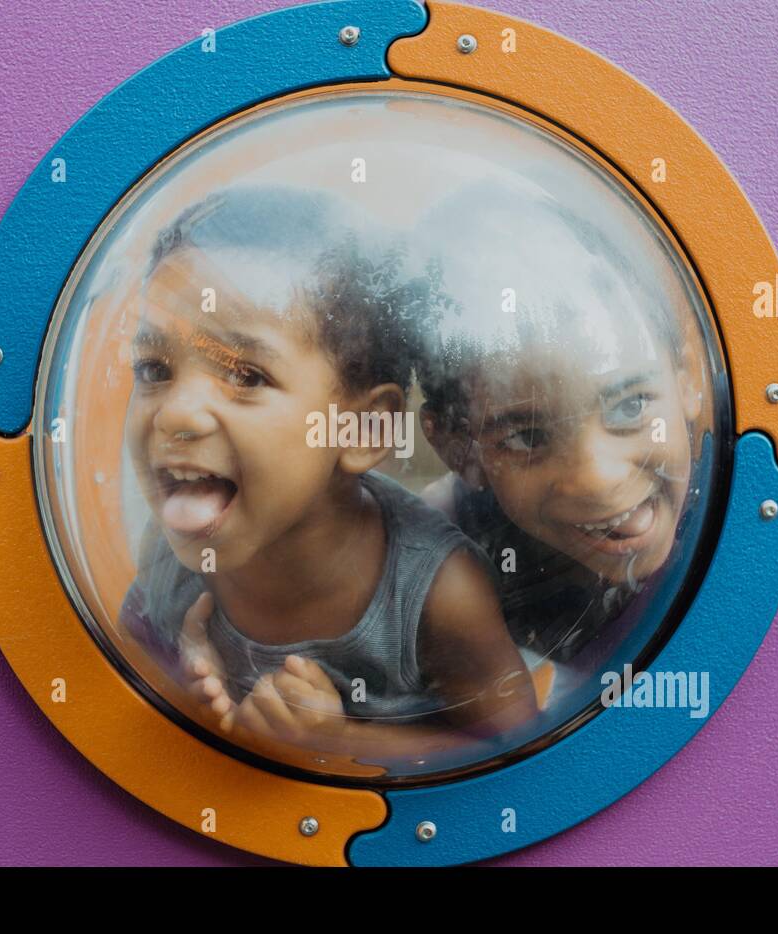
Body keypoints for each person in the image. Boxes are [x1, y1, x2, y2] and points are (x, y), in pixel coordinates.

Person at [116, 185, 536, 763]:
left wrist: (334, 742)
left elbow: (520, 753)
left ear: (360, 431)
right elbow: (124, 672)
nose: (175, 413)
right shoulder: (175, 546)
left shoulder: (438, 592)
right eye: (154, 368)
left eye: (245, 376)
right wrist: (183, 682)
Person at [413, 182, 718, 676]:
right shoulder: (443, 548)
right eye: (526, 437)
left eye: (629, 406)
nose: (597, 478)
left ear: (688, 377)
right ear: (456, 449)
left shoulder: (729, 518)